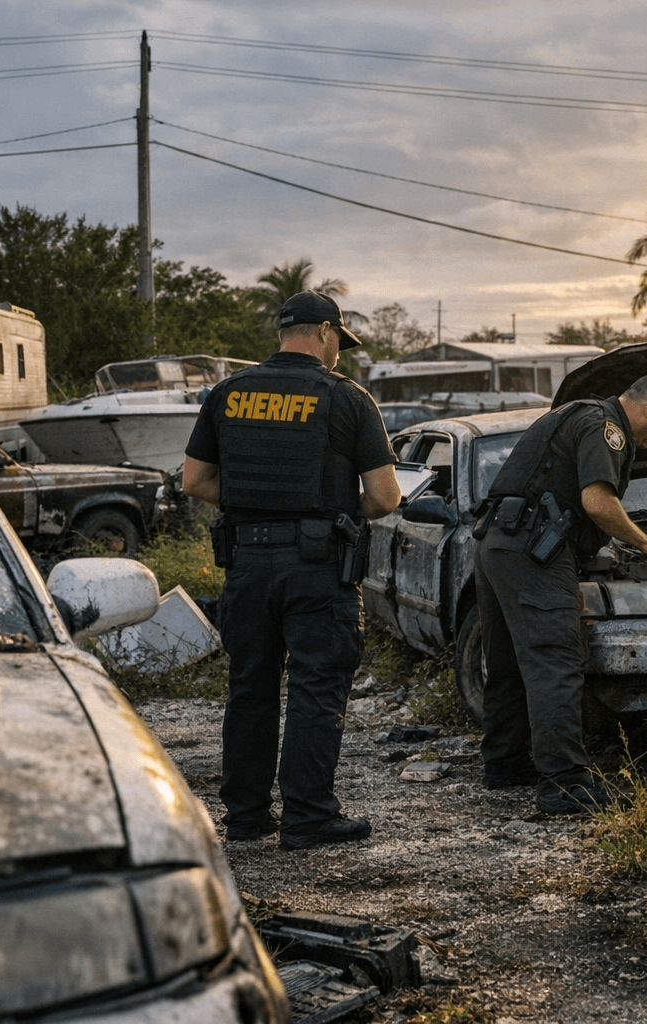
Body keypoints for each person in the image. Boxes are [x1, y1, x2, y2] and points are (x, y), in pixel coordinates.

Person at [181, 291, 401, 850]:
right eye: (338, 343)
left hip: (247, 562)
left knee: (249, 688)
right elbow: (383, 497)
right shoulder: (347, 397)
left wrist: (257, 500)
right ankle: (307, 817)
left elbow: (196, 481)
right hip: (316, 566)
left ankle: (248, 817)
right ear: (326, 332)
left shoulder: (227, 393)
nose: (338, 354)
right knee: (315, 687)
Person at [474, 373, 647, 814]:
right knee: (556, 658)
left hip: (499, 542)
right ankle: (564, 784)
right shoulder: (604, 427)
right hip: (534, 550)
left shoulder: (577, 413)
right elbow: (597, 502)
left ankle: (506, 763)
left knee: (509, 662)